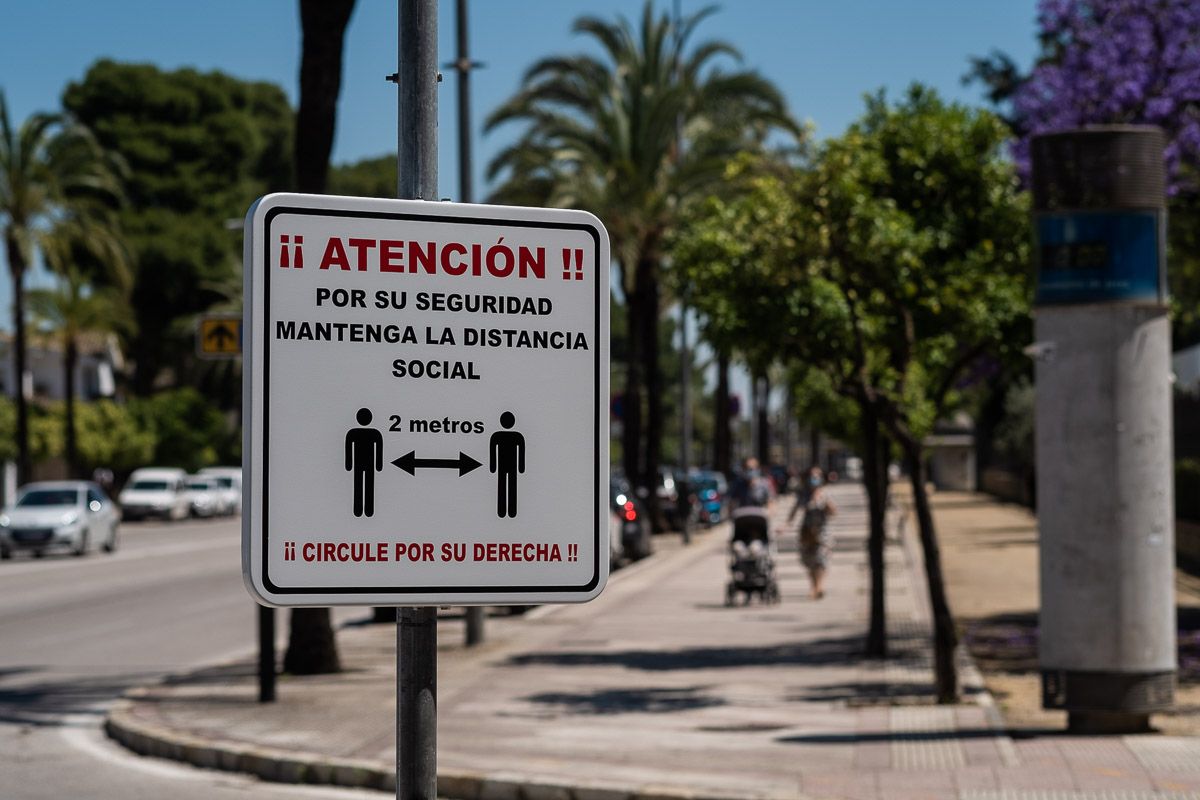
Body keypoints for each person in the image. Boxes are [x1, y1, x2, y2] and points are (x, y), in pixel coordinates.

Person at [788, 466, 837, 599]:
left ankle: (819, 586)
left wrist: (826, 504)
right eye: (812, 475)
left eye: (817, 475)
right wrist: (787, 524)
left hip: (822, 531)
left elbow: (833, 512)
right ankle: (813, 586)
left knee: (821, 559)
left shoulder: (826, 494)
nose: (814, 478)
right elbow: (794, 509)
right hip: (807, 531)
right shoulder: (803, 494)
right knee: (809, 560)